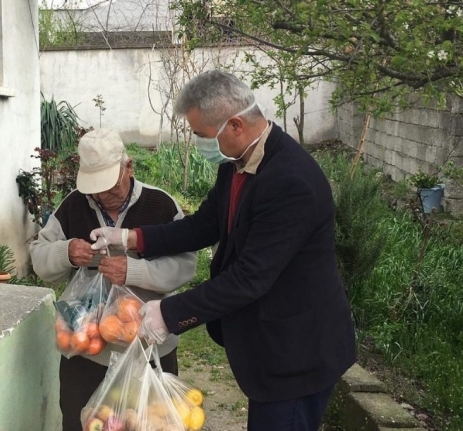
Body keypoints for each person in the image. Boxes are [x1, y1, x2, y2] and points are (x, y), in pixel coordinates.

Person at [89, 71, 357, 431]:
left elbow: (249, 278)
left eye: (201, 135)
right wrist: (130, 238)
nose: (200, 143)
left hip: (296, 352)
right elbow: (204, 226)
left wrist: (169, 313)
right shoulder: (237, 165)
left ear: (234, 125)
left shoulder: (291, 182)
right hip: (268, 347)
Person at [29, 128, 197, 431]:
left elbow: (185, 265)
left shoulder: (160, 205)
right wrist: (65, 252)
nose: (101, 196)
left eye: (109, 186)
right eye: (95, 188)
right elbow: (39, 258)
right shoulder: (73, 205)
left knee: (149, 425)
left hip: (148, 348)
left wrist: (133, 271)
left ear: (128, 167)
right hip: (86, 350)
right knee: (78, 422)